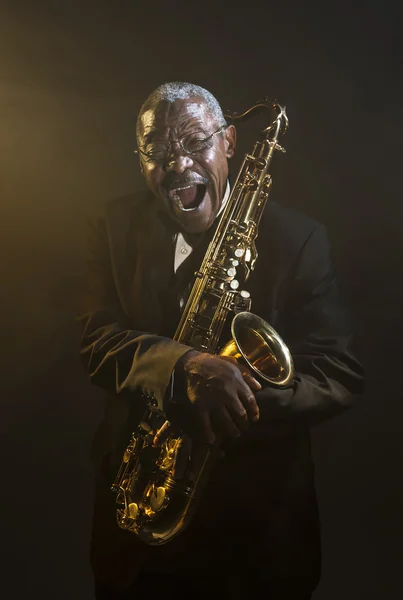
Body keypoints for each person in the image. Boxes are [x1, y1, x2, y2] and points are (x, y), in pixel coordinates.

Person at [77, 82, 364, 599]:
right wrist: (182, 367)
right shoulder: (112, 225)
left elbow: (338, 374)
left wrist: (237, 396)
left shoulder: (299, 240)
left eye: (194, 142)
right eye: (158, 152)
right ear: (141, 161)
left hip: (257, 544)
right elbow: (96, 339)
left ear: (229, 142)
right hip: (136, 531)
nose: (177, 164)